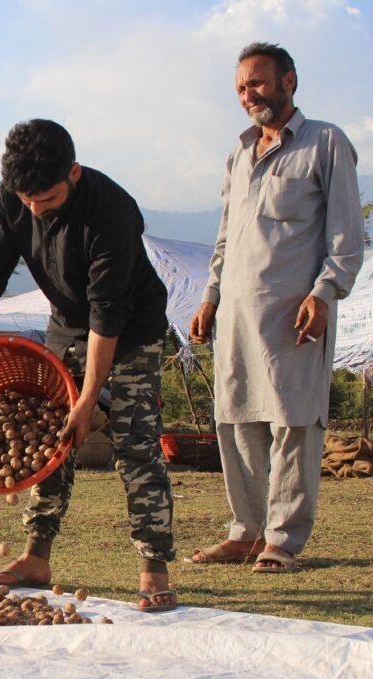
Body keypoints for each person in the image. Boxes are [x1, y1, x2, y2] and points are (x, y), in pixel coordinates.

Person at [0, 119, 177, 611]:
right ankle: (35, 559)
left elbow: (108, 311)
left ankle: (154, 570)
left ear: (74, 174)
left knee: (136, 445)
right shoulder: (11, 199)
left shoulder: (112, 210)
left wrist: (87, 400)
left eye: (48, 200)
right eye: (27, 202)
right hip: (66, 325)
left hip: (130, 330)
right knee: (48, 441)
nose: (36, 210)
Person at [188, 42, 364, 573]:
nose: (249, 96)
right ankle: (245, 532)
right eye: (241, 87)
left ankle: (282, 541)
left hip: (295, 315)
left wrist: (325, 291)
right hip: (235, 315)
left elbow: (346, 235)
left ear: (290, 81)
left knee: (294, 424)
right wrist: (210, 295)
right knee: (235, 419)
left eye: (258, 83)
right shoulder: (238, 155)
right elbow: (225, 238)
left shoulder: (326, 143)